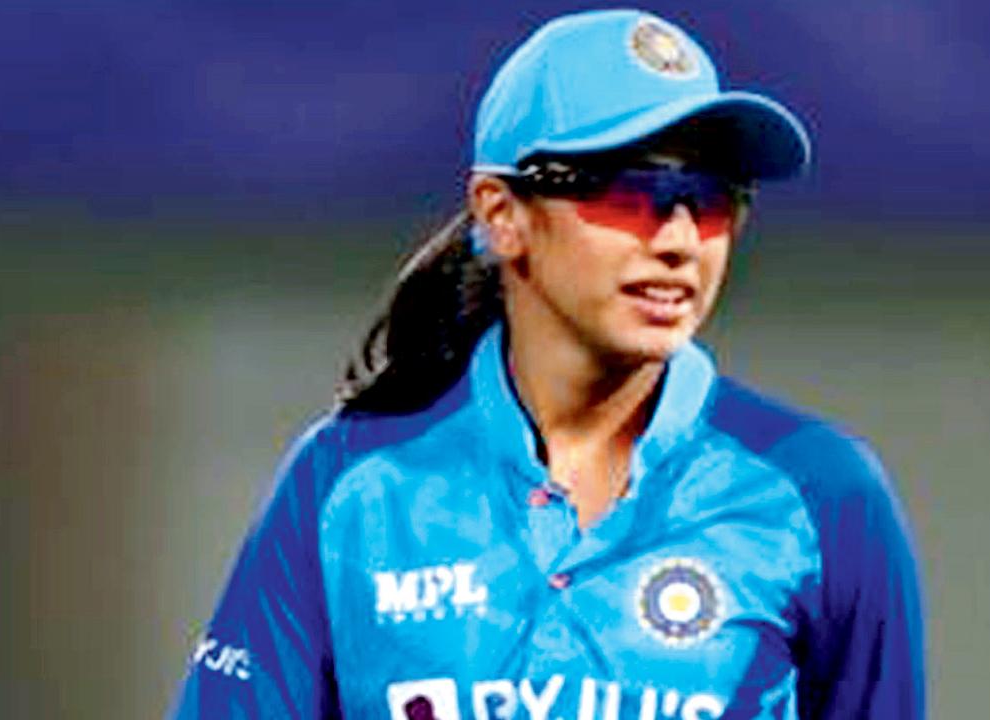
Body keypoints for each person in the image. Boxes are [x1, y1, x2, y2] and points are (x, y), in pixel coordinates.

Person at [170, 9, 923, 719]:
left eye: (712, 200)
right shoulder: (350, 483)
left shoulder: (821, 492)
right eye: (634, 194)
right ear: (502, 215)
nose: (679, 241)